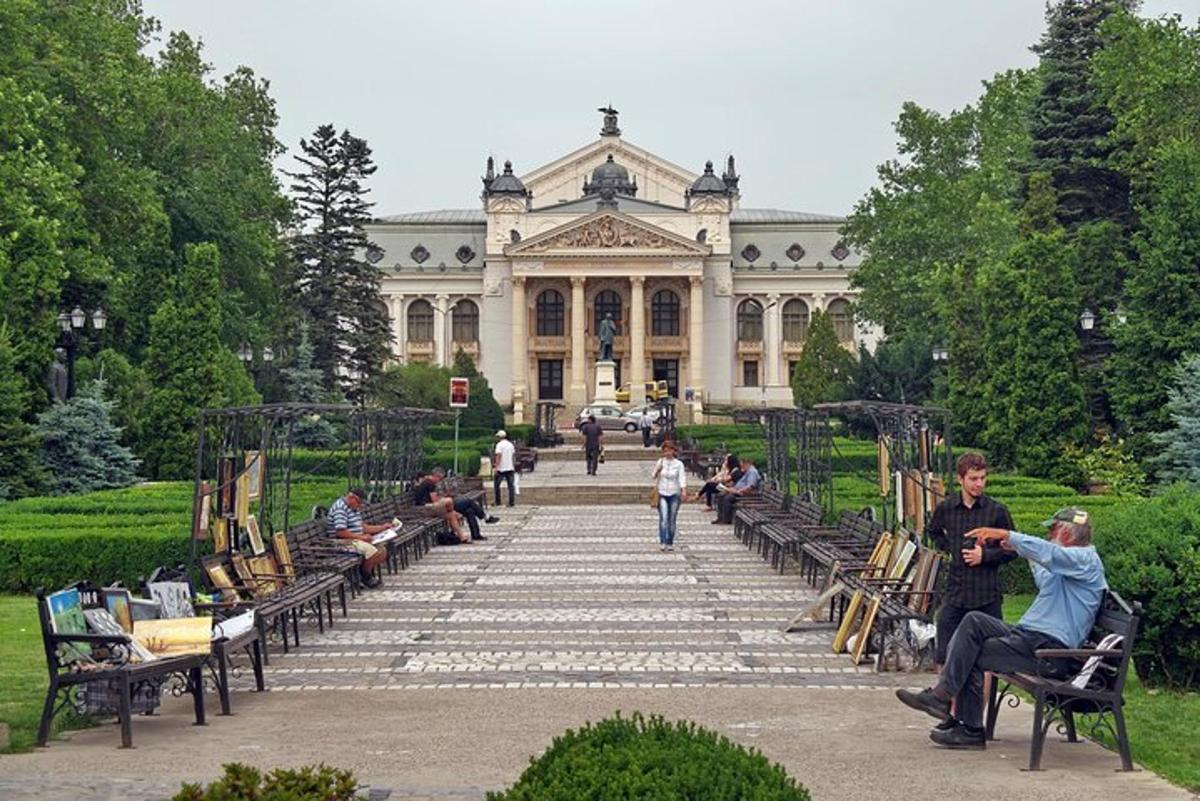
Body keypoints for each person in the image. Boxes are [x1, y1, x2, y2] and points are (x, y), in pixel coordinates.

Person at [896, 507, 1107, 749]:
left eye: (1052, 529)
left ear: (1067, 534)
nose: (1049, 534)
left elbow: (1049, 554)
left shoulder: (1086, 561)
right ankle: (946, 702)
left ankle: (967, 726)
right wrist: (1019, 549)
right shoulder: (1071, 565)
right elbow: (1045, 573)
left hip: (1050, 651)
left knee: (972, 651)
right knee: (974, 621)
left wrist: (1007, 535)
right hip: (1030, 638)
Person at [925, 453, 1016, 673]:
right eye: (973, 479)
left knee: (991, 658)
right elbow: (933, 530)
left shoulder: (996, 511)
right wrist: (951, 549)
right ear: (960, 479)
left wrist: (985, 556)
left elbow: (1013, 549)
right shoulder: (947, 508)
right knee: (943, 650)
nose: (979, 484)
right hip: (957, 590)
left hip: (987, 594)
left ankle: (982, 707)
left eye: (982, 478)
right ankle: (944, 701)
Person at [325, 487, 391, 588]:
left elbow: (362, 527)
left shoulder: (353, 508)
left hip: (356, 539)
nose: (360, 506)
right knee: (371, 550)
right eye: (359, 503)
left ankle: (361, 572)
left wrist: (382, 528)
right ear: (351, 498)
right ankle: (366, 577)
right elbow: (341, 532)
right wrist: (361, 538)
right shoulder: (340, 508)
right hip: (343, 542)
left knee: (382, 550)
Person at [413, 467, 470, 544]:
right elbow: (434, 500)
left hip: (428, 507)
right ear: (436, 476)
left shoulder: (428, 482)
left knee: (452, 515)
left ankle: (461, 536)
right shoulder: (430, 483)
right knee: (449, 500)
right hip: (424, 508)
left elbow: (435, 499)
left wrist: (442, 500)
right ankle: (454, 512)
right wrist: (443, 500)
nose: (439, 481)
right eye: (440, 478)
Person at [653, 441, 687, 552]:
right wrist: (657, 471)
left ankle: (670, 541)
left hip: (674, 493)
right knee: (663, 518)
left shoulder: (678, 464)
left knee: (672, 519)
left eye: (670, 450)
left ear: (674, 451)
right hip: (662, 492)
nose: (668, 453)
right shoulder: (660, 462)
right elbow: (653, 476)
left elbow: (682, 478)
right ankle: (662, 541)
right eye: (665, 450)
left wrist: (684, 490)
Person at [712, 457, 761, 524]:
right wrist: (732, 488)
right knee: (720, 495)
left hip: (744, 494)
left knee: (727, 498)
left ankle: (726, 519)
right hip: (737, 491)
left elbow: (750, 486)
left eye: (742, 464)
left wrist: (739, 490)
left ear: (747, 463)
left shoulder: (752, 472)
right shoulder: (747, 471)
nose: (741, 466)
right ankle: (720, 517)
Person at [492, 429, 517, 507]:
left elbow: (498, 456)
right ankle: (511, 502)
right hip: (510, 468)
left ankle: (498, 501)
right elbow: (513, 456)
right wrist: (513, 465)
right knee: (511, 486)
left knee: (496, 485)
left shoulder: (499, 445)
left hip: (501, 468)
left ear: (499, 437)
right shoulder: (510, 444)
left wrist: (496, 467)